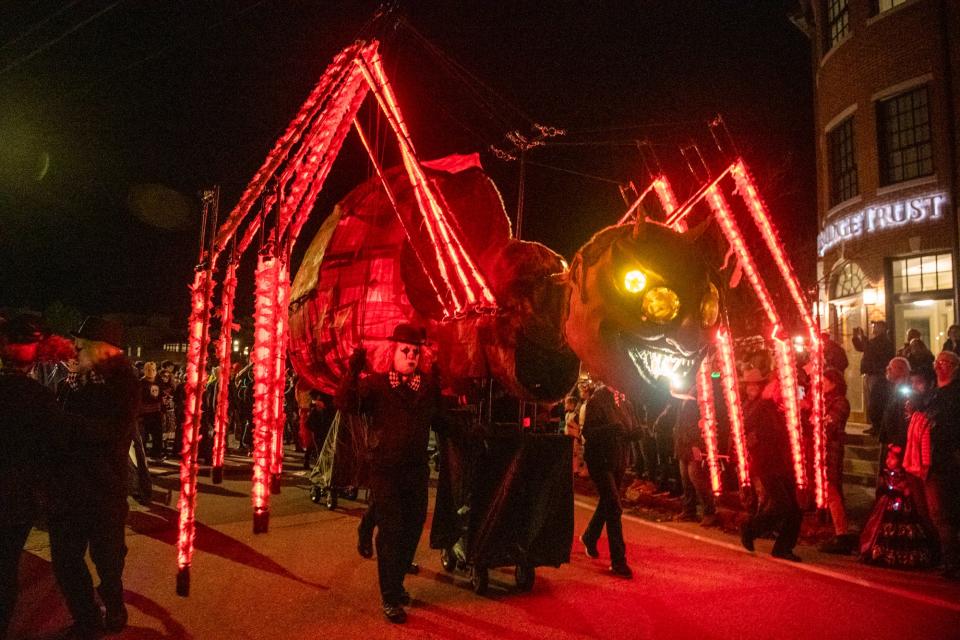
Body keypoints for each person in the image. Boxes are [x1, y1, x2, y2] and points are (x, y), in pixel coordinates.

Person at [336, 323, 442, 624]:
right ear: (392, 353)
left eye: (415, 352)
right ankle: (391, 595)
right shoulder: (377, 386)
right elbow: (345, 403)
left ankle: (390, 570)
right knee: (393, 531)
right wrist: (352, 372)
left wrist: (468, 434)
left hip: (416, 470)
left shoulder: (426, 387)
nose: (411, 357)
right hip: (385, 470)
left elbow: (441, 420)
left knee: (412, 529)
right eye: (405, 351)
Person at [49, 316, 139, 637]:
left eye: (81, 344)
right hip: (68, 491)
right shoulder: (72, 381)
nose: (74, 349)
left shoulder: (124, 382)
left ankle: (114, 607)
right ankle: (87, 616)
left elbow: (114, 432)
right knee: (65, 559)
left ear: (102, 349)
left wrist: (63, 424)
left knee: (108, 559)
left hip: (104, 490)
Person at [0, 315, 62, 639]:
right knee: (7, 566)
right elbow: (52, 451)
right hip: (19, 499)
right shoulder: (41, 398)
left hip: (16, 495)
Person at [739, 367, 802, 561]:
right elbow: (744, 425)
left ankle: (783, 547)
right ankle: (751, 529)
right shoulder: (761, 405)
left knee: (796, 507)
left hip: (786, 461)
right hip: (767, 462)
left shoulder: (783, 407)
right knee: (783, 504)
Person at [579, 381, 633, 578]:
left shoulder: (625, 402)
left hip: (618, 461)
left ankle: (589, 536)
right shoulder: (598, 400)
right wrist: (610, 429)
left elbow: (628, 429)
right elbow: (588, 432)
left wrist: (634, 434)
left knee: (607, 504)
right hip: (600, 461)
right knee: (614, 506)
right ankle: (618, 561)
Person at [922, 350, 960, 579]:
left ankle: (950, 562)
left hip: (946, 461)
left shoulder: (954, 394)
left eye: (946, 363)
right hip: (932, 461)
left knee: (944, 514)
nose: (940, 366)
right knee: (938, 513)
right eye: (938, 362)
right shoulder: (935, 392)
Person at [819, 368, 855, 554]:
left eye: (825, 381)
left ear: (834, 383)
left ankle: (842, 533)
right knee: (827, 491)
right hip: (820, 450)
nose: (821, 385)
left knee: (832, 490)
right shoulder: (823, 401)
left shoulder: (840, 402)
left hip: (831, 451)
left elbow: (830, 424)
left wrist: (816, 419)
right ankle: (834, 529)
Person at [673, 399, 717, 526]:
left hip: (693, 445)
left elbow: (698, 425)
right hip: (683, 446)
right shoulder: (682, 400)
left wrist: (696, 443)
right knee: (686, 479)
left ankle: (710, 511)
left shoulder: (697, 399)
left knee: (697, 479)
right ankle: (689, 510)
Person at [853, 321, 896, 436]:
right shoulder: (874, 341)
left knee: (875, 401)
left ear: (882, 328)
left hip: (877, 374)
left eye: (876, 326)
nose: (873, 328)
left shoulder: (884, 342)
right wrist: (856, 338)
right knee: (871, 401)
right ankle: (875, 425)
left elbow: (871, 350)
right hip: (871, 373)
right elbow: (862, 348)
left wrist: (864, 339)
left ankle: (877, 426)